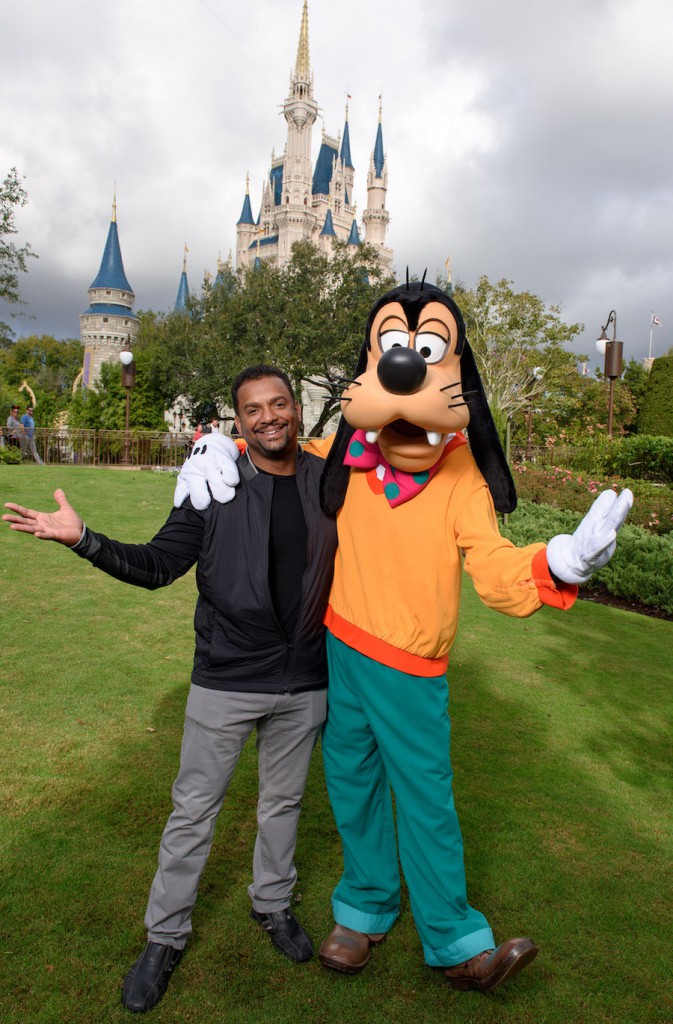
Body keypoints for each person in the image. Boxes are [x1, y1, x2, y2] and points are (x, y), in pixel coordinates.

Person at [3, 365, 338, 1014]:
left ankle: (272, 905)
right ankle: (165, 937)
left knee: (283, 804)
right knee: (192, 814)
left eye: (279, 404)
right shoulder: (209, 484)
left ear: (295, 409)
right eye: (253, 410)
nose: (269, 417)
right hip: (226, 680)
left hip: (305, 681)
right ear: (237, 423)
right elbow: (157, 566)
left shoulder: (325, 480)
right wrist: (84, 540)